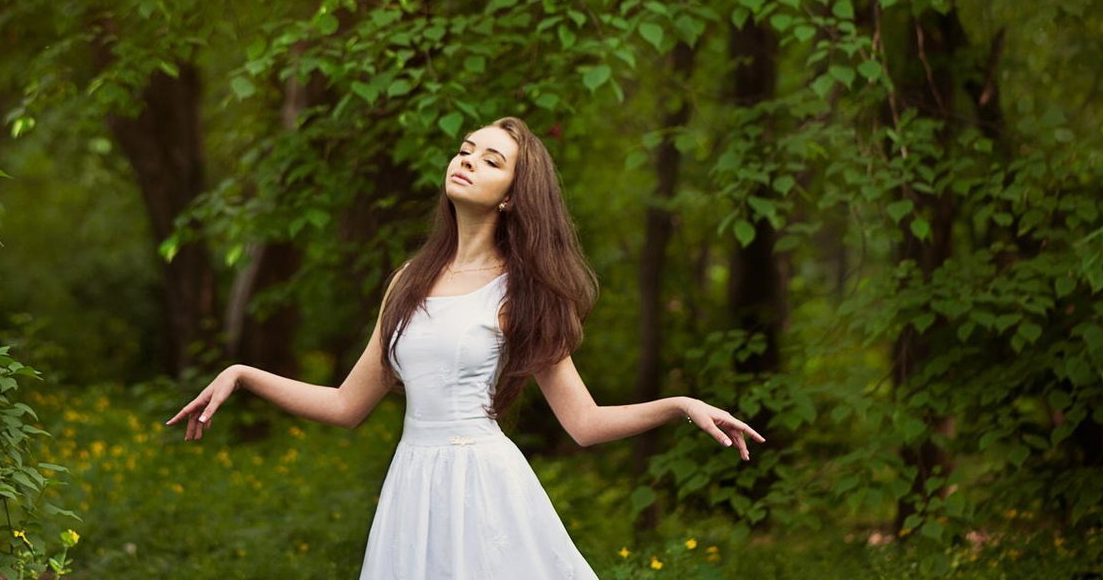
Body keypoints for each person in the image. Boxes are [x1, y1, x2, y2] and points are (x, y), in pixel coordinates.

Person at [166, 115, 764, 579]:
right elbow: (347, 405)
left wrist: (680, 404)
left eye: (491, 159)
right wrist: (243, 372)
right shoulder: (408, 280)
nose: (467, 161)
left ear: (511, 195)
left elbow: (583, 423)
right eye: (464, 151)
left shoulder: (524, 293)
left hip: (483, 487)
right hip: (411, 488)